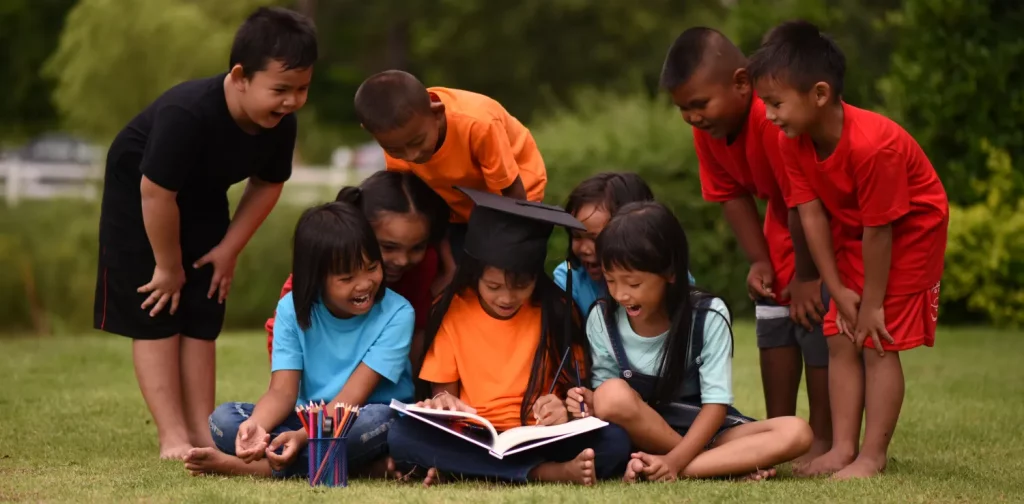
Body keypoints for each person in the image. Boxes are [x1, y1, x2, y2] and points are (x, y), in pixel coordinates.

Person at [92, 6, 317, 460]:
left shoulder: (280, 124)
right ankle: (172, 435)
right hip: (142, 197)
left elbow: (268, 184)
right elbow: (155, 193)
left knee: (203, 305)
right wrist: (168, 266)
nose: (291, 101)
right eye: (280, 89)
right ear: (240, 77)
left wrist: (229, 250)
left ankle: (202, 430)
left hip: (203, 195)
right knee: (158, 305)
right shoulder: (188, 113)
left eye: (302, 89)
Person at [748, 20, 949, 479]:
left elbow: (883, 230)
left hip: (910, 230)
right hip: (859, 227)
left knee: (876, 339)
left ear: (819, 94)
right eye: (765, 104)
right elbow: (812, 214)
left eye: (776, 103)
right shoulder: (791, 141)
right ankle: (841, 449)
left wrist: (873, 304)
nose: (769, 115)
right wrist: (835, 289)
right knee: (840, 333)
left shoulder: (874, 147)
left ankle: (872, 457)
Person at [658, 27, 832, 463]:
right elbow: (731, 196)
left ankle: (824, 439)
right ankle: (776, 434)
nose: (693, 117)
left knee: (813, 323)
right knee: (772, 318)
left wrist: (807, 277)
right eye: (683, 109)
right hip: (784, 221)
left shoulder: (772, 119)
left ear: (741, 83)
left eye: (699, 104)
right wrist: (761, 260)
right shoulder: (710, 133)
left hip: (820, 226)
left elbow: (803, 202)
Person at [387, 188, 632, 486]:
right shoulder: (453, 309)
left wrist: (562, 408)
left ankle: (465, 469)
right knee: (402, 436)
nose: (506, 297)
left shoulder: (557, 309)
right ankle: (544, 473)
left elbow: (574, 394)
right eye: (493, 286)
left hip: (539, 436)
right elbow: (444, 395)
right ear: (476, 274)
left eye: (521, 286)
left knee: (615, 441)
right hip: (475, 437)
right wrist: (443, 402)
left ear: (535, 277)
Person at [565, 201, 812, 482]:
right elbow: (608, 403)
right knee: (610, 395)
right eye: (611, 281)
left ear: (670, 273)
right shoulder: (603, 318)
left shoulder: (707, 315)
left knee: (797, 432)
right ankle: (724, 466)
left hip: (707, 429)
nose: (621, 294)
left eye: (633, 284)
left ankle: (673, 468)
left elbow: (716, 405)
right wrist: (589, 400)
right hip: (641, 431)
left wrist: (675, 460)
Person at [183, 201, 416, 478]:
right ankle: (357, 467)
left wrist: (302, 438)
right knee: (225, 420)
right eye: (347, 277)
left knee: (378, 421)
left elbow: (350, 400)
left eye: (371, 267)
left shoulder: (398, 313)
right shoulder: (291, 309)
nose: (364, 283)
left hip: (357, 418)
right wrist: (256, 427)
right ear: (316, 279)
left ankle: (249, 468)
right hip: (306, 420)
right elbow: (281, 393)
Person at [353, 70, 548, 295]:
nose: (412, 155)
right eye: (395, 149)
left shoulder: (477, 124)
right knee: (458, 280)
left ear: (437, 113)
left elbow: (513, 194)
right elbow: (423, 209)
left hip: (514, 197)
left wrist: (510, 252)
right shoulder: (399, 142)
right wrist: (449, 268)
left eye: (418, 141)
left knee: (499, 278)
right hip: (456, 202)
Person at [265, 170, 450, 368]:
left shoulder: (422, 268)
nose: (402, 260)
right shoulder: (317, 273)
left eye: (417, 247)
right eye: (388, 247)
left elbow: (419, 332)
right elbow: (284, 337)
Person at [553, 172, 696, 317]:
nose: (584, 249)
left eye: (596, 239)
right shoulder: (570, 280)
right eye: (576, 236)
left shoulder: (667, 276)